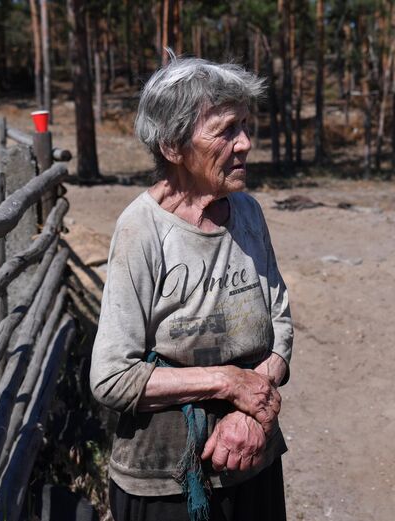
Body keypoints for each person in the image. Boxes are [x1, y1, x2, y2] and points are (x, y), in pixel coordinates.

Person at [89, 53, 293, 521]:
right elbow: (111, 377)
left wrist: (249, 408)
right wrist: (227, 380)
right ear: (172, 145)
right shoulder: (142, 229)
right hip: (167, 481)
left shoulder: (247, 214)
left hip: (253, 455)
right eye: (226, 130)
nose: (245, 143)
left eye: (245, 125)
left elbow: (279, 322)